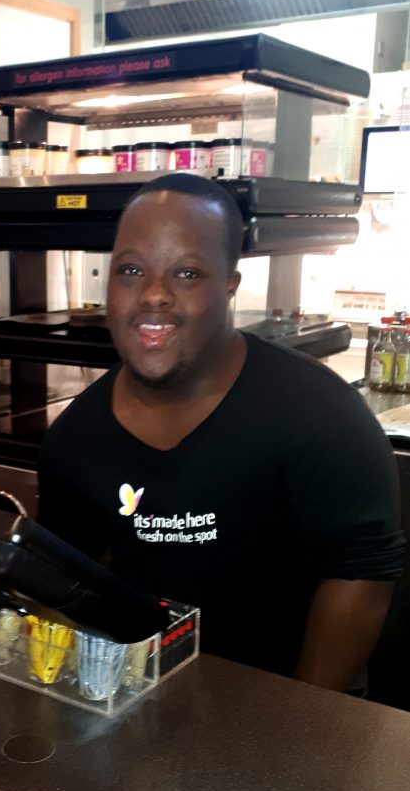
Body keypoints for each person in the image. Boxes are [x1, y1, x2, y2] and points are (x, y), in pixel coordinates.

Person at [36, 172, 404, 691]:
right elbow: (63, 576)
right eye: (131, 270)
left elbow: (361, 573)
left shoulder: (319, 415)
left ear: (228, 286)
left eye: (187, 273)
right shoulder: (76, 438)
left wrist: (303, 719)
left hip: (292, 709)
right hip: (147, 700)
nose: (154, 295)